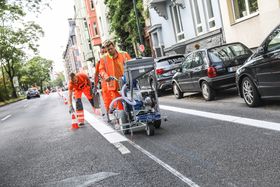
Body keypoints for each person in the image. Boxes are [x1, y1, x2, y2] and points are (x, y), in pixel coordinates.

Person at [99, 40, 131, 113]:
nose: (110, 51)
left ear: (114, 46)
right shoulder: (104, 58)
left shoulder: (124, 54)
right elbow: (101, 70)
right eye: (108, 50)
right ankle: (123, 119)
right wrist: (106, 76)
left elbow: (131, 65)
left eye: (111, 48)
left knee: (130, 99)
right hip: (114, 84)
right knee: (120, 106)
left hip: (126, 81)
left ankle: (131, 114)